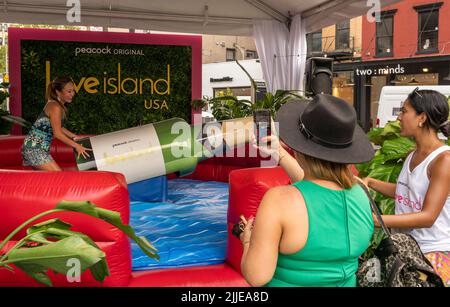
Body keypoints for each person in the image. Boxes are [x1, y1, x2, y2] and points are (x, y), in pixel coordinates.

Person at [239, 94, 375, 287]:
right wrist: (279, 152)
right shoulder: (361, 191)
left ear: (300, 148)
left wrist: (247, 241)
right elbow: (317, 190)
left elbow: (256, 276)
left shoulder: (279, 200)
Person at [362, 88, 450, 286]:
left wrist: (376, 220)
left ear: (422, 118)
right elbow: (405, 192)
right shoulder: (413, 154)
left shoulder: (443, 159)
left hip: (431, 254)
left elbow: (428, 217)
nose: (399, 117)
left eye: (404, 111)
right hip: (407, 249)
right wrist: (371, 182)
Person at [22, 76, 91, 171]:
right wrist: (77, 146)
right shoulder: (55, 107)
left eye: (73, 91)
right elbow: (57, 133)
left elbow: (60, 127)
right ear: (58, 92)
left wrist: (75, 137)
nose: (72, 94)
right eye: (69, 91)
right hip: (35, 149)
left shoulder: (56, 105)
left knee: (50, 181)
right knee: (60, 178)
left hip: (37, 148)